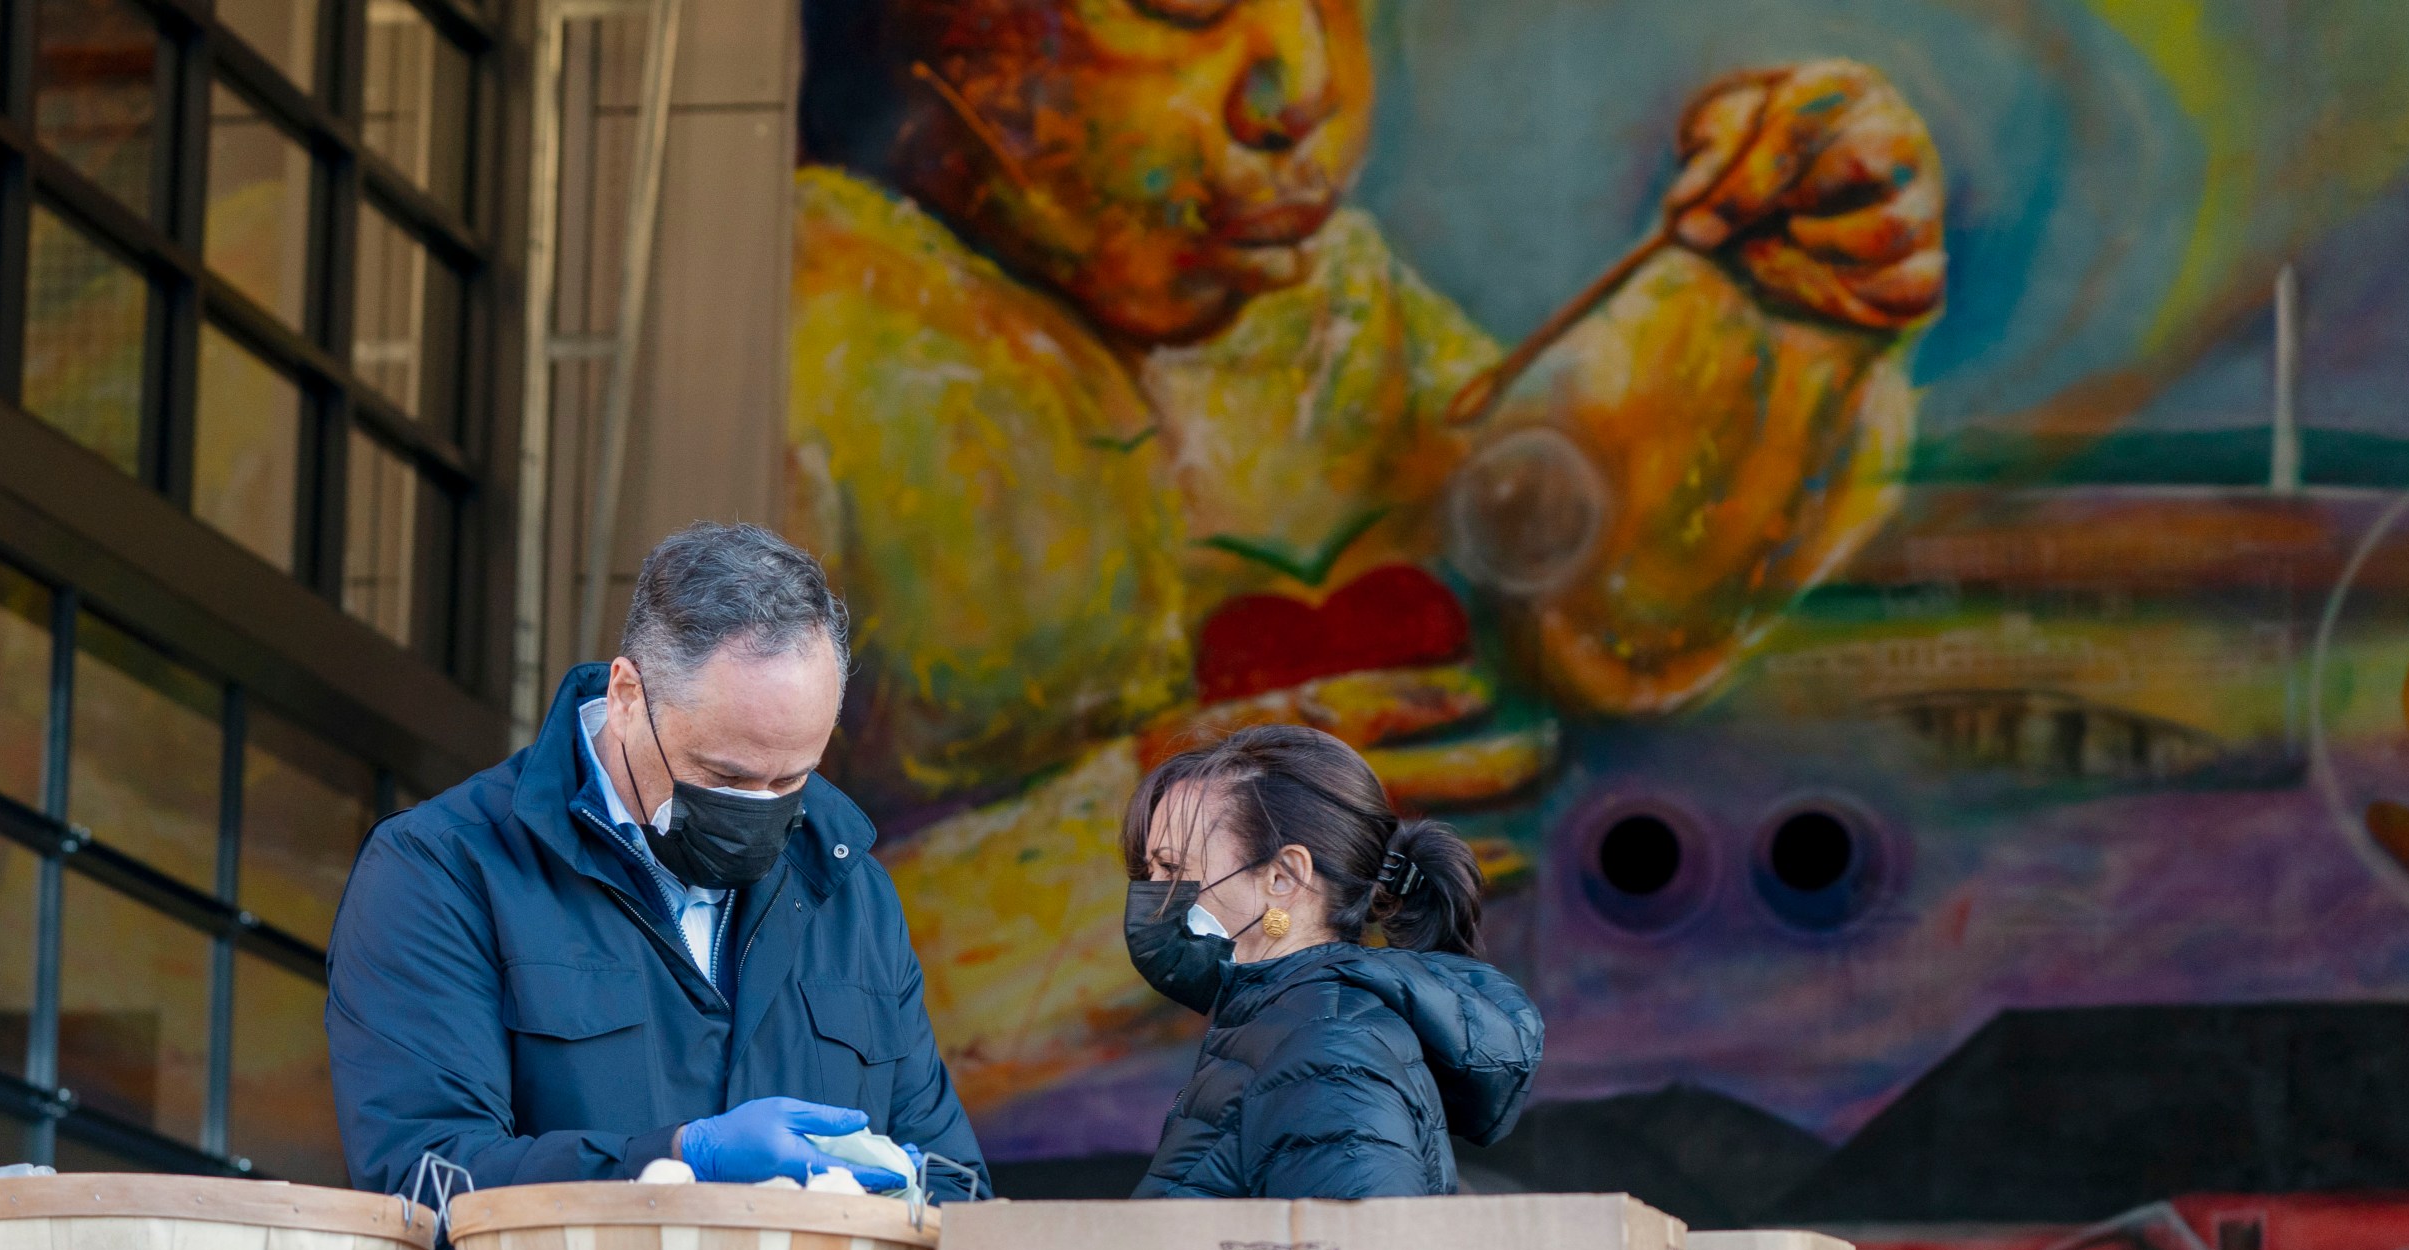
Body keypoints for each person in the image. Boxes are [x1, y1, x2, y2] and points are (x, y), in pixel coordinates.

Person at [782, 0, 1945, 1124]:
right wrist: (1120, 887)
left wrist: (1760, 323)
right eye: (1179, 7)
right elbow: (723, 956)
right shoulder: (815, 335)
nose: (1304, 84)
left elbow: (1574, 576)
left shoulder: (1323, 313)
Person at [326, 522, 987, 1250]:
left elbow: (959, 1189)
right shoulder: (444, 870)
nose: (766, 808)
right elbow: (423, 1188)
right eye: (725, 776)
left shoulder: (849, 888)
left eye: (794, 776)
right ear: (629, 694)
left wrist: (902, 1198)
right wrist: (676, 1163)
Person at [1120, 725, 1542, 1198]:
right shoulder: (1291, 1028)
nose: (1153, 892)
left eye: (1173, 868)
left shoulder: (1328, 1047)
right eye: (1149, 871)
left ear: (1283, 878)